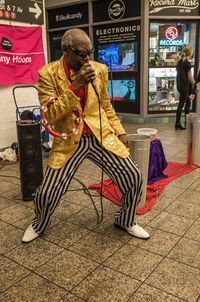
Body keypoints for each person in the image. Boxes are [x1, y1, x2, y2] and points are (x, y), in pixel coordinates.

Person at [22, 28, 150, 243]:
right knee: (46, 193)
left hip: (100, 136)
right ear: (65, 50)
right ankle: (39, 224)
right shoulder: (48, 73)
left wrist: (119, 131)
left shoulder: (99, 69)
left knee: (134, 177)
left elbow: (106, 105)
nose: (87, 58)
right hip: (69, 139)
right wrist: (76, 85)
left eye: (90, 52)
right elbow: (50, 115)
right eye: (82, 53)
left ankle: (126, 220)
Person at [175, 46, 196, 130]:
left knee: (187, 102)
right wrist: (196, 83)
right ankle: (178, 123)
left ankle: (185, 123)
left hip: (180, 85)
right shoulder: (187, 63)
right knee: (182, 104)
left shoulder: (180, 61)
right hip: (184, 86)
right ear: (190, 53)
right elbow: (190, 77)